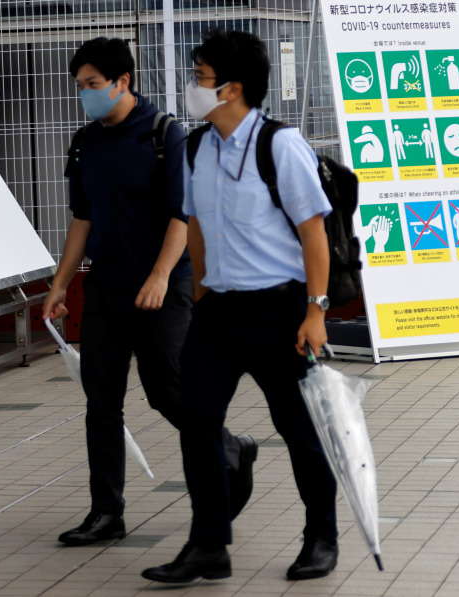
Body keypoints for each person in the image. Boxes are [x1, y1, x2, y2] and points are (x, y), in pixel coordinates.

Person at [141, 29, 339, 583]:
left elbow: (313, 232)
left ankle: (321, 535)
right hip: (218, 314)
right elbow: (196, 224)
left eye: (199, 77)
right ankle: (209, 545)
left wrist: (316, 311)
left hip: (279, 313)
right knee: (198, 420)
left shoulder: (280, 146)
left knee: (296, 427)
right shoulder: (195, 148)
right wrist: (201, 293)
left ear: (231, 89)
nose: (191, 87)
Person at [42, 37, 256, 548]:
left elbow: (180, 215)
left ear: (123, 82)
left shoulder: (165, 135)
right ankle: (106, 513)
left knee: (169, 393)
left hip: (165, 289)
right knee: (101, 401)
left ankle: (231, 450)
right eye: (80, 87)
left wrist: (160, 276)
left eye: (93, 85)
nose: (86, 96)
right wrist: (60, 284)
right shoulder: (85, 142)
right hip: (107, 292)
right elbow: (82, 219)